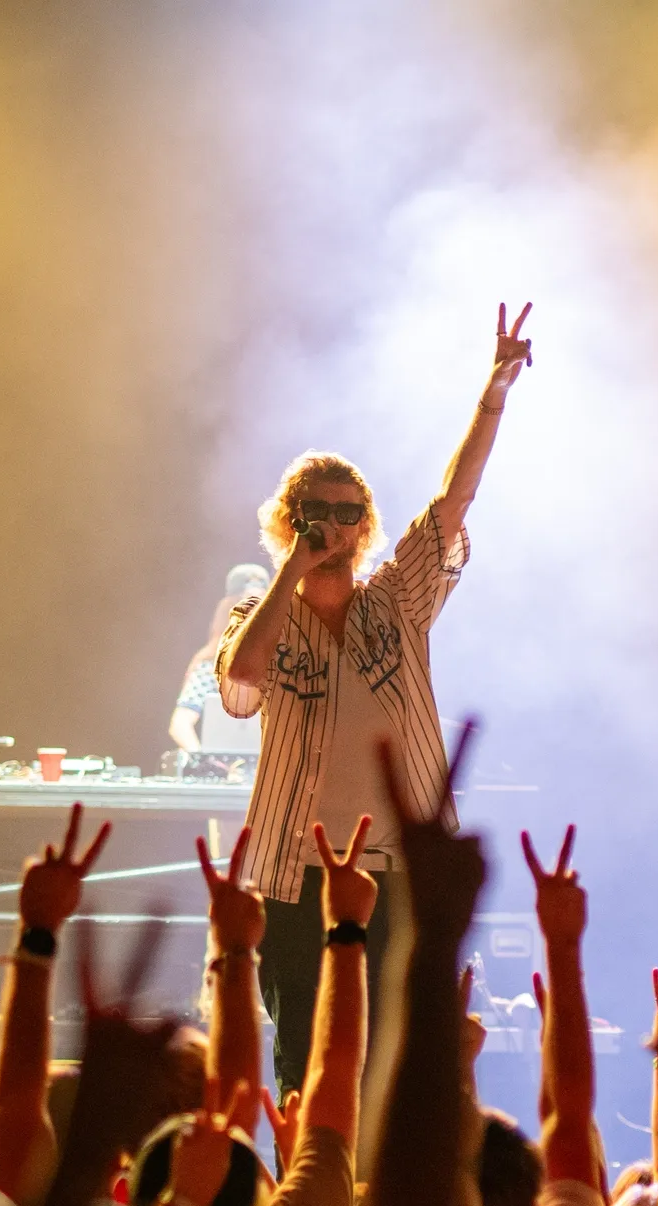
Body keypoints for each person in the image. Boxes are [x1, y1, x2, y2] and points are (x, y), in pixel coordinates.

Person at [213, 303, 535, 1095]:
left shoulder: (396, 600)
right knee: (306, 1061)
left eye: (347, 514)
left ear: (365, 528)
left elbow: (454, 501)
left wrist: (493, 394)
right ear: (289, 524)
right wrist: (294, 568)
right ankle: (313, 1199)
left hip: (398, 867)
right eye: (314, 513)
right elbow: (242, 687)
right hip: (298, 873)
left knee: (398, 1063)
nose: (333, 526)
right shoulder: (261, 618)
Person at [169, 564, 271, 753]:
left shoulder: (282, 664)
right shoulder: (209, 668)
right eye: (244, 609)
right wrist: (204, 760)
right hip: (225, 774)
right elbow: (180, 723)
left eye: (260, 609)